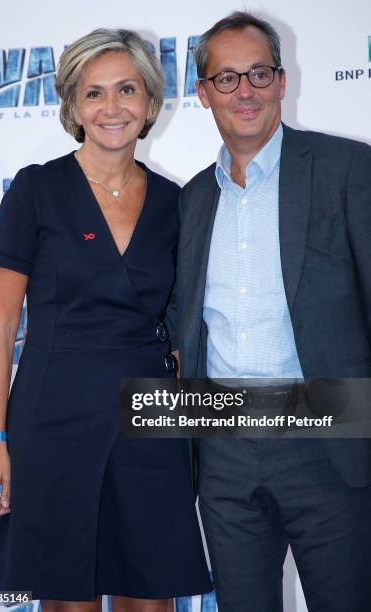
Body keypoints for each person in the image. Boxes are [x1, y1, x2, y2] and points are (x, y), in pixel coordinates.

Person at [0, 28, 212, 612]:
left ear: (151, 103)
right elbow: (1, 325)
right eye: (94, 93)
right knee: (67, 599)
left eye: (127, 90)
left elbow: (183, 327)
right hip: (54, 415)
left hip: (151, 418)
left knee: (150, 598)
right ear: (73, 107)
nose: (113, 108)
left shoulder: (173, 201)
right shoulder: (37, 189)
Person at [170, 10, 371, 612]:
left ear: (283, 82)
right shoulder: (190, 202)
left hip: (330, 435)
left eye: (259, 73)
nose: (245, 91)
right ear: (204, 95)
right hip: (224, 448)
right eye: (226, 79)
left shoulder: (347, 170)